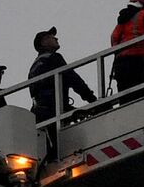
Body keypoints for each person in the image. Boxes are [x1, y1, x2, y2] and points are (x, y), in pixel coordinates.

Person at [27, 27, 97, 155]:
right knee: (64, 148)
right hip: (53, 110)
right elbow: (73, 78)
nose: (56, 38)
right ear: (43, 42)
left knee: (51, 150)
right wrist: (92, 99)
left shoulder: (35, 65)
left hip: (40, 112)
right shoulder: (53, 58)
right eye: (50, 37)